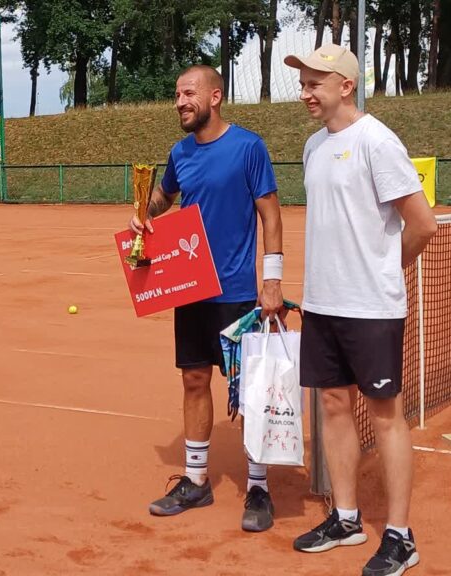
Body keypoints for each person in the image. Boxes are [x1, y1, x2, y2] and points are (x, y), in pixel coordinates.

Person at [284, 44, 437, 576]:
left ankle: (400, 535)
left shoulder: (377, 141)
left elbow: (422, 224)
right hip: (322, 303)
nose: (305, 93)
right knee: (331, 406)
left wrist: (383, 270)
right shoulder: (312, 147)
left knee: (387, 416)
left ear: (345, 85)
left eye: (314, 83)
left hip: (371, 307)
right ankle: (346, 518)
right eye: (302, 83)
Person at [129, 65, 285, 532]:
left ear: (215, 96)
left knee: (252, 389)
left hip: (237, 292)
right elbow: (163, 198)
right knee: (194, 379)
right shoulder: (179, 153)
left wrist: (272, 280)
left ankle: (258, 486)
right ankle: (196, 480)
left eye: (189, 93)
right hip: (190, 287)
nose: (180, 101)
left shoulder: (248, 147)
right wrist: (143, 214)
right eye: (177, 94)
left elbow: (271, 217)